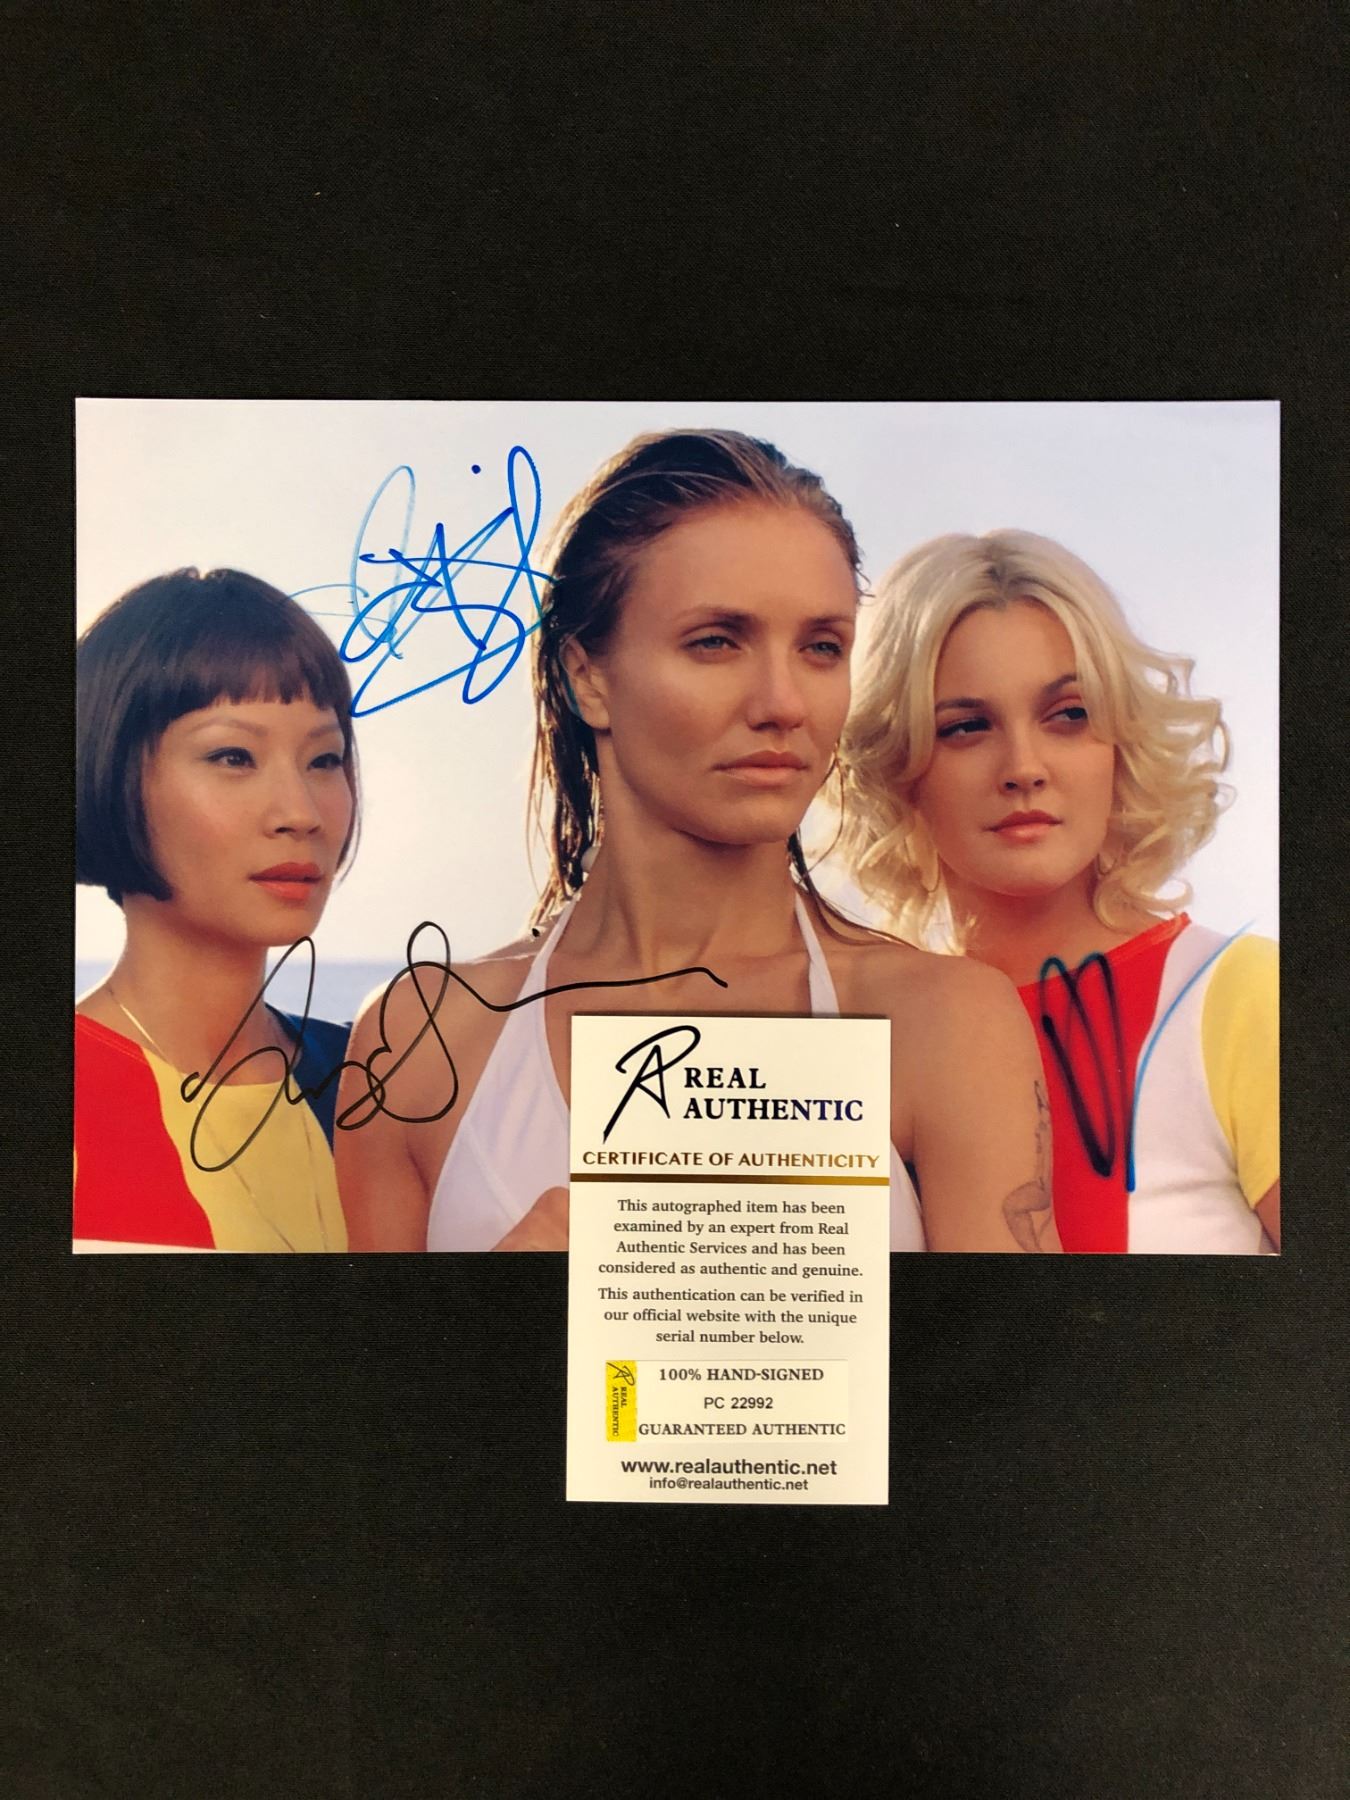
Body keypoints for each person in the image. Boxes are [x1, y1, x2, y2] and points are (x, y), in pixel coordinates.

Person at [338, 431, 1058, 1253]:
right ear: (588, 677)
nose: (783, 703)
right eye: (716, 641)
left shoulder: (946, 1021)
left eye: (821, 648)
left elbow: (1015, 1344)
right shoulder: (421, 1036)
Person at [840, 529, 1278, 1254]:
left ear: (1120, 742)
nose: (1024, 767)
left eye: (1068, 715)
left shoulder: (1242, 997)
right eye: (966, 727)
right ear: (898, 766)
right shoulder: (861, 1035)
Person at [75, 568, 358, 1252]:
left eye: (324, 760)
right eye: (234, 756)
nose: (301, 813)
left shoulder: (378, 1080)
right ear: (110, 770)